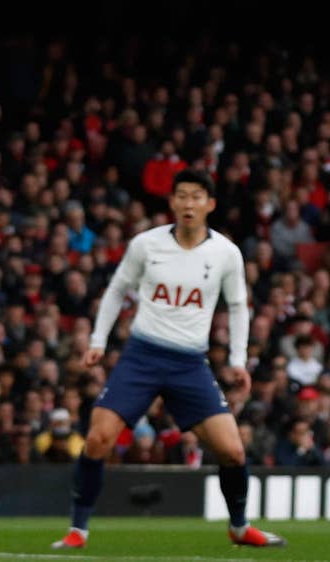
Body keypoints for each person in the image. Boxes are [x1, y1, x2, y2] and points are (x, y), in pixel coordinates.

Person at [52, 169, 286, 549]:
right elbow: (116, 291)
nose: (188, 203)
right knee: (97, 439)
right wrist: (98, 340)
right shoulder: (146, 244)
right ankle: (78, 530)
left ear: (209, 204)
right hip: (141, 357)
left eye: (197, 196)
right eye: (182, 196)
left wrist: (239, 360)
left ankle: (240, 527)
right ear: (172, 202)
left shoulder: (226, 253)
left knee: (232, 450)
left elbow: (239, 307)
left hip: (190, 364)